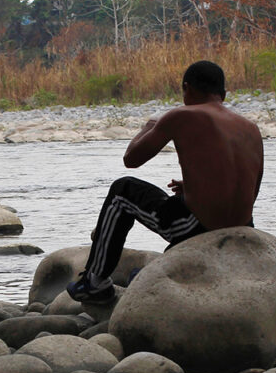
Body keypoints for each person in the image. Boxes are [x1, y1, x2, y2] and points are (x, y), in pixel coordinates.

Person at [66, 60, 263, 303]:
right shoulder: (250, 128)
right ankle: (166, 269)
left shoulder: (182, 115)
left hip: (197, 227)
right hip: (244, 228)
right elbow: (251, 188)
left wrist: (149, 126)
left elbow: (132, 159)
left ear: (187, 88)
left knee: (121, 190)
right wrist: (194, 187)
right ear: (223, 94)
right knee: (175, 200)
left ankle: (94, 282)